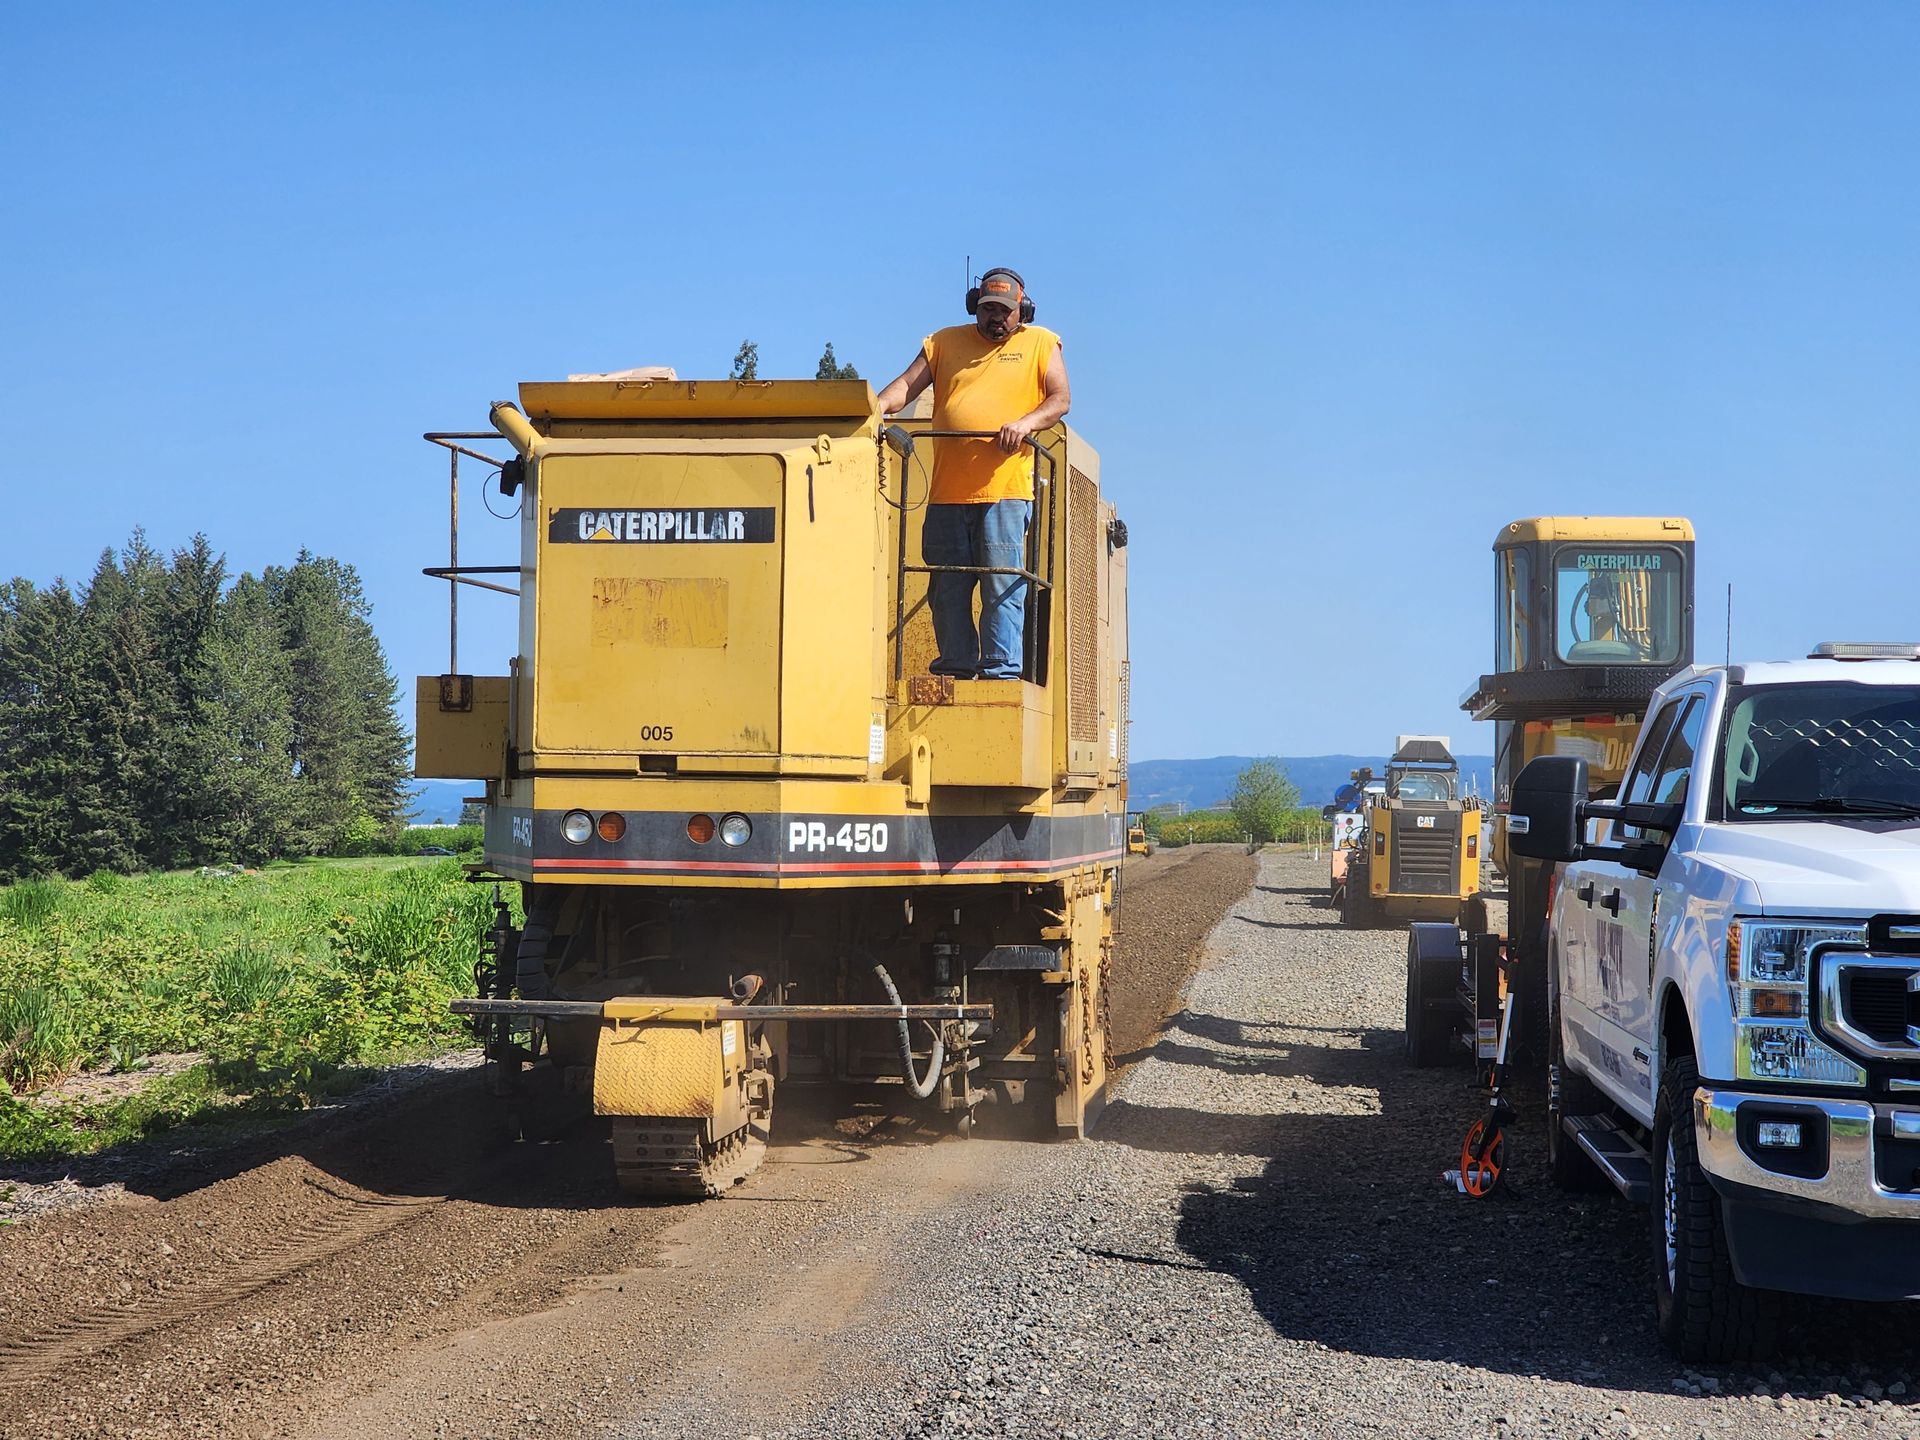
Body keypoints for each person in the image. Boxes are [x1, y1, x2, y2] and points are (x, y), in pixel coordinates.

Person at [874, 267, 1070, 679]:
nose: (994, 316)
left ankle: (1000, 672)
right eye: (986, 309)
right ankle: (955, 668)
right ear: (973, 307)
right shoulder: (943, 342)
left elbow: (1060, 399)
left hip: (1005, 492)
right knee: (946, 589)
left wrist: (1025, 424)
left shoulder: (1041, 343)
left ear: (1023, 311)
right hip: (947, 492)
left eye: (1004, 309)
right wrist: (875, 408)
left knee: (1001, 587)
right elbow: (906, 386)